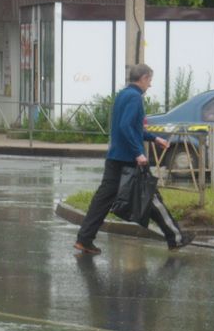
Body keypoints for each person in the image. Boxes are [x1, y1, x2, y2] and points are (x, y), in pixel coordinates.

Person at [74, 64, 192, 255]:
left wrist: (154, 138)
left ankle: (84, 239)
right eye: (150, 80)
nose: (150, 85)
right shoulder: (135, 98)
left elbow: (131, 127)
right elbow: (126, 127)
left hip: (115, 157)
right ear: (144, 78)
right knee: (151, 197)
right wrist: (138, 152)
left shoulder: (123, 94)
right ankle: (176, 238)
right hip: (129, 159)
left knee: (102, 201)